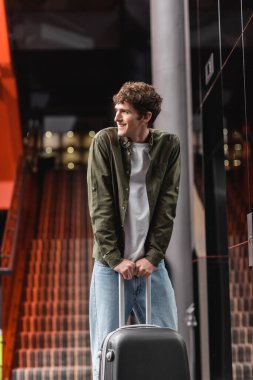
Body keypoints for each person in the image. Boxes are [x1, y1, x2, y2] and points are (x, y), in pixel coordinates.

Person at [87, 81, 180, 380]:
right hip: (110, 267)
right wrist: (115, 258)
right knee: (105, 350)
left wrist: (153, 256)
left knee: (168, 342)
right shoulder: (105, 142)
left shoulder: (168, 145)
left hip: (151, 266)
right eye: (117, 110)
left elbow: (168, 204)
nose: (116, 118)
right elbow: (100, 205)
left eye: (124, 112)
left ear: (146, 117)